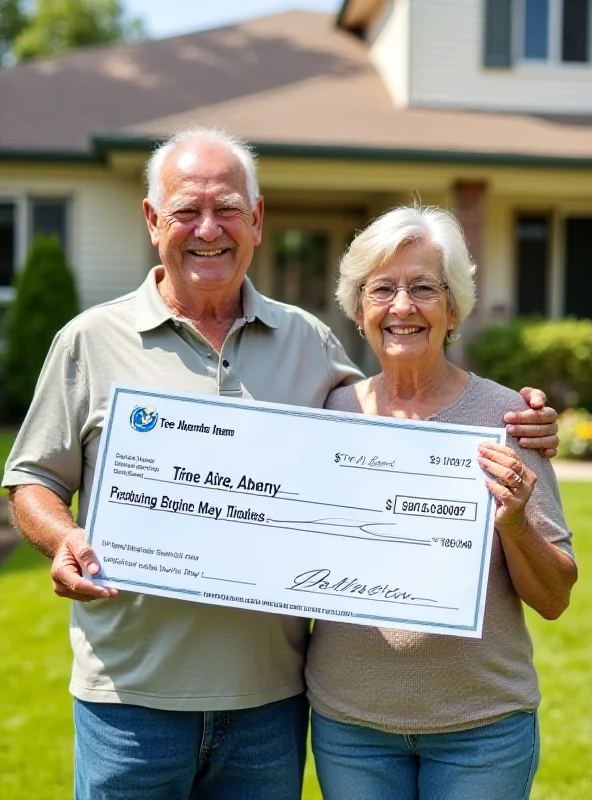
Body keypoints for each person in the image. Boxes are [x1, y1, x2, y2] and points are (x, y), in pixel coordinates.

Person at [2, 129, 560, 800]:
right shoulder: (89, 342)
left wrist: (527, 419)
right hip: (131, 700)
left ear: (258, 221)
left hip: (269, 707)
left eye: (228, 208)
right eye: (186, 211)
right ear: (154, 222)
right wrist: (64, 539)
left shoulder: (309, 344)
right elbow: (32, 478)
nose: (208, 229)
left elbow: (401, 420)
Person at [306, 205, 577, 800]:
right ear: (358, 308)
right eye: (382, 289)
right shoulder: (326, 415)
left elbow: (555, 599)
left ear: (453, 307)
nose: (402, 306)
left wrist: (517, 524)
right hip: (351, 726)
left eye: (424, 288)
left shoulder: (509, 420)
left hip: (482, 731)